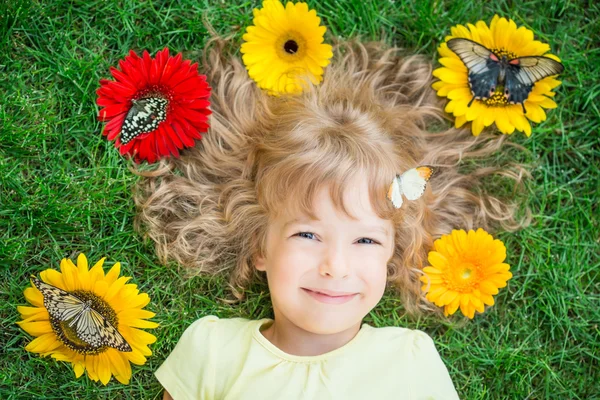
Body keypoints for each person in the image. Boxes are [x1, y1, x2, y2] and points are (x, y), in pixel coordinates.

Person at [134, 36, 529, 399]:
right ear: (259, 246)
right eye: (307, 235)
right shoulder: (212, 351)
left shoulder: (409, 360)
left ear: (392, 254)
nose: (335, 266)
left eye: (366, 240)